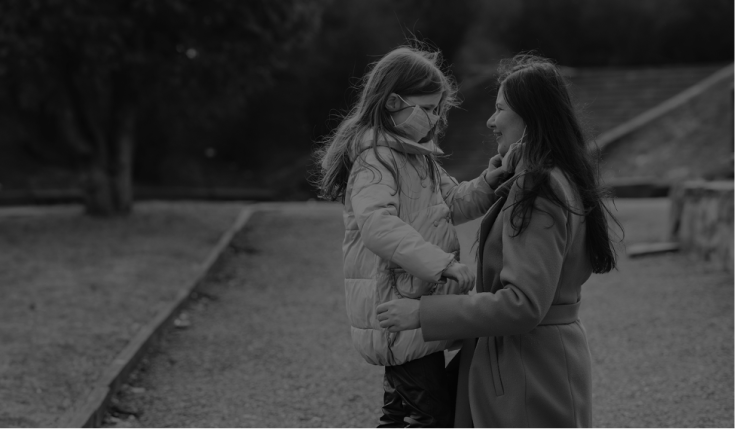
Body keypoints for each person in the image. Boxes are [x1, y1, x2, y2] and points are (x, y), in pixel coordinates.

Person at [377, 54, 620, 429]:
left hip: (526, 371)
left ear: (530, 115)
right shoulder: (560, 176)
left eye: (500, 109)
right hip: (535, 363)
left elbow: (522, 305)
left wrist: (422, 314)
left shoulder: (539, 188)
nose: (491, 120)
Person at [315, 46, 517, 428]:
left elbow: (453, 202)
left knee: (400, 414)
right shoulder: (375, 159)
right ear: (393, 102)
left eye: (438, 109)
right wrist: (442, 265)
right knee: (433, 416)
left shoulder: (417, 156)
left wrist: (489, 181)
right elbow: (378, 226)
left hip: (416, 307)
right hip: (399, 309)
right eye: (427, 108)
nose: (435, 118)